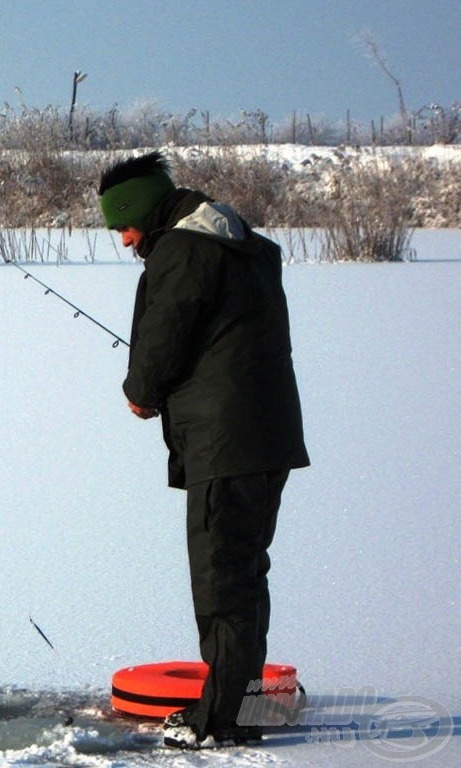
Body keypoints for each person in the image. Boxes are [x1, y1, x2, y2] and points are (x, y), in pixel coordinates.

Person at [98, 151, 309, 749]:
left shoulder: (184, 251)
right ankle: (235, 703)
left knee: (223, 583)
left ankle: (219, 722)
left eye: (122, 225)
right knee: (244, 577)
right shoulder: (246, 247)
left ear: (141, 209)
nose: (122, 240)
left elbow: (167, 331)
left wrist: (141, 393)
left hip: (226, 442)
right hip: (266, 436)